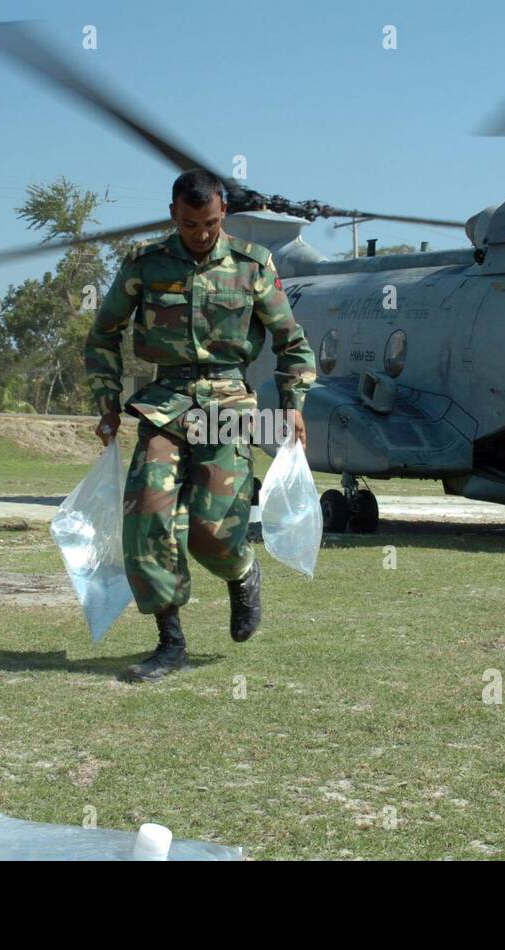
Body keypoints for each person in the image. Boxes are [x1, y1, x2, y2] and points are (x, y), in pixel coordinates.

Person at [85, 169, 317, 682]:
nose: (201, 233)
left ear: (223, 215)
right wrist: (106, 402)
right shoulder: (144, 265)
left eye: (210, 223)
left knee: (213, 532)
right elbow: (103, 336)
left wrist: (294, 402)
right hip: (165, 404)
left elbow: (292, 343)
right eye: (191, 224)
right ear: (174, 214)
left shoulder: (252, 266)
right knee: (146, 511)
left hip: (225, 407)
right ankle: (170, 643)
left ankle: (242, 571)